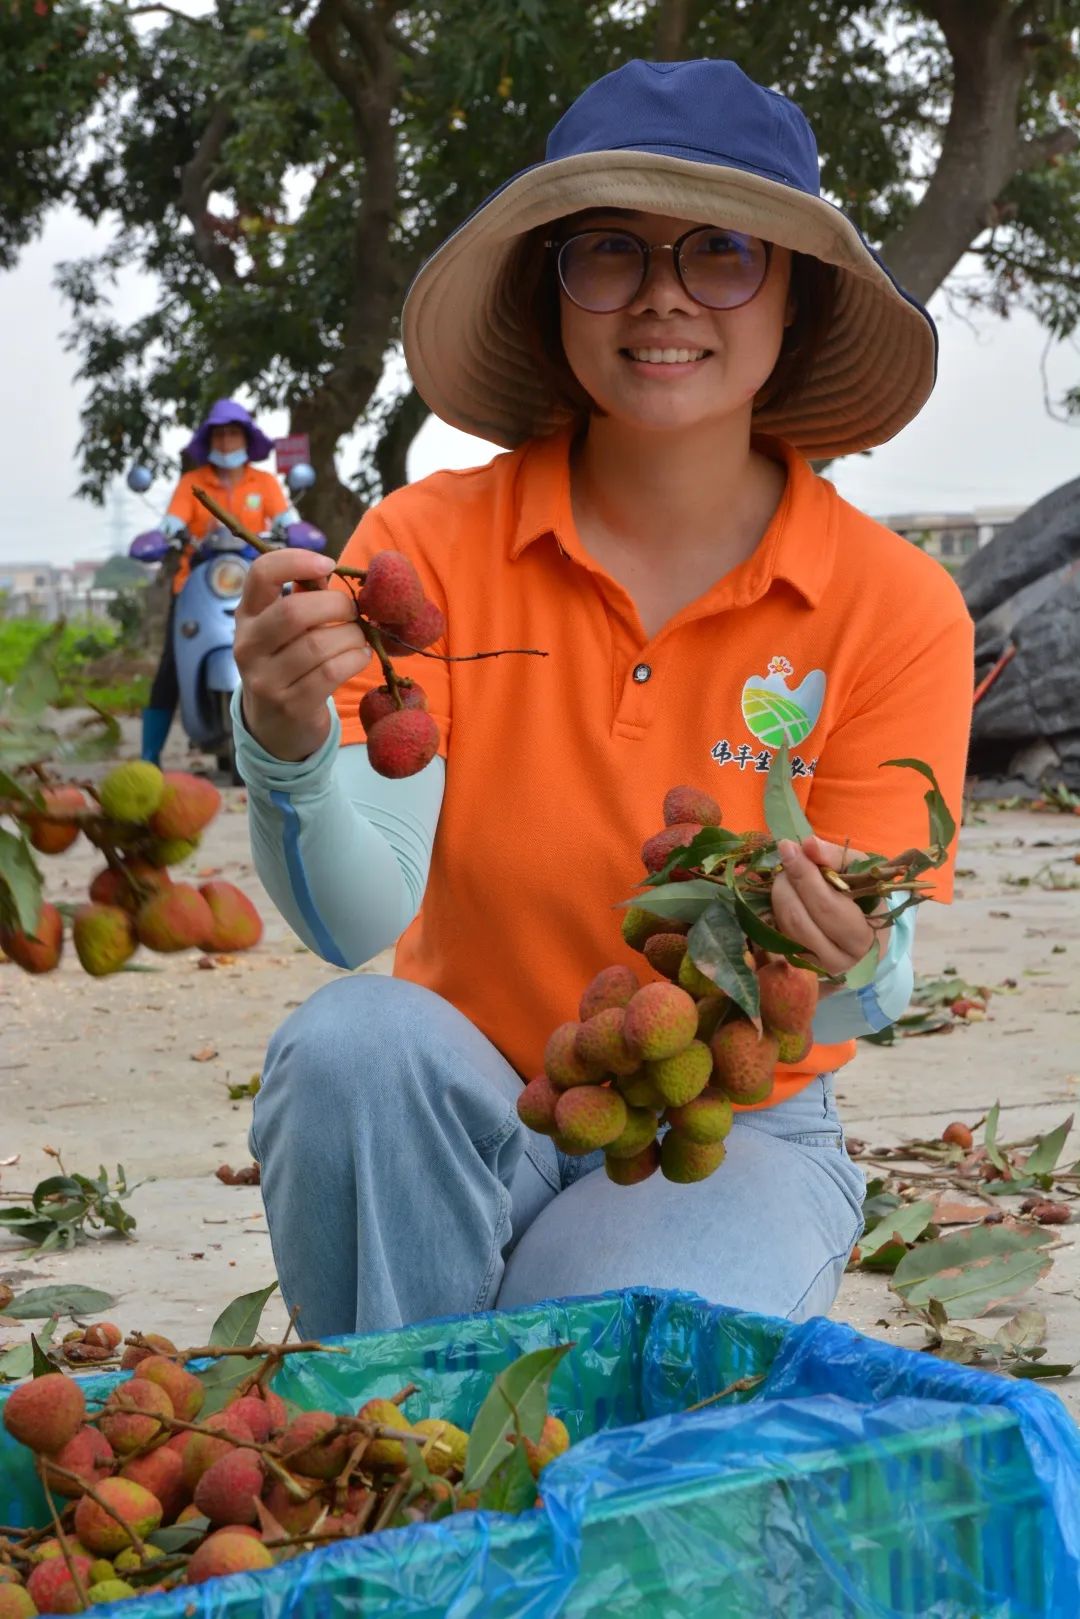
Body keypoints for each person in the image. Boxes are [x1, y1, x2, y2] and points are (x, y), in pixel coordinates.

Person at [231, 59, 974, 1341]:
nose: (665, 295)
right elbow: (362, 919)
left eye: (725, 251)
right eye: (612, 251)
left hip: (724, 1131)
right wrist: (288, 748)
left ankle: (431, 1405)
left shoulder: (893, 604)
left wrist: (852, 948)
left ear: (791, 296)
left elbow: (862, 993)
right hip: (464, 1107)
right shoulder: (429, 547)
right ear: (556, 291)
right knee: (355, 1040)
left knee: (588, 1354)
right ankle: (412, 1438)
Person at [139, 399, 294, 767]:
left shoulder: (265, 482)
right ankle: (149, 757)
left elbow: (286, 518)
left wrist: (294, 528)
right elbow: (174, 519)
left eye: (233, 434)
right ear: (210, 441)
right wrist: (167, 532)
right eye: (220, 434)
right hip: (198, 583)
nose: (226, 442)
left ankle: (290, 747)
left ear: (245, 439)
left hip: (256, 581)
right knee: (170, 667)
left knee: (286, 654)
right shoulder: (193, 482)